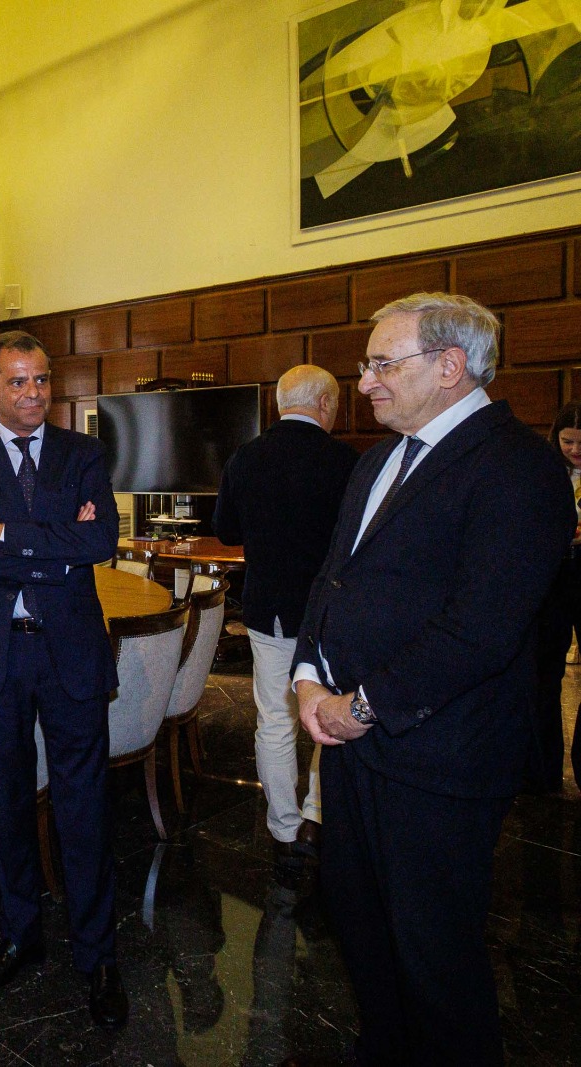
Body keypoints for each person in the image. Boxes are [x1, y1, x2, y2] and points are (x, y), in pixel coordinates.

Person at [290, 293, 573, 1066]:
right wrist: (309, 677)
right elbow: (332, 578)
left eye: (383, 363)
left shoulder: (519, 466)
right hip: (350, 745)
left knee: (437, 961)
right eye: (366, 365)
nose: (365, 382)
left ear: (451, 365)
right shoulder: (378, 458)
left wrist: (362, 705)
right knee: (363, 931)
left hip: (440, 759)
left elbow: (480, 629)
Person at [0, 329, 126, 1029]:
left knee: (85, 806)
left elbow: (101, 540)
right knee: (11, 804)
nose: (32, 394)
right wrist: (57, 545)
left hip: (70, 652)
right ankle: (22, 934)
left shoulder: (84, 453)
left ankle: (98, 954)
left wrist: (8, 536)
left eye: (41, 380)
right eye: (17, 382)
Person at [213, 365, 357, 881]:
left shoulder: (245, 457)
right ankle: (317, 817)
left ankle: (284, 830)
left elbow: (225, 531)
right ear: (325, 403)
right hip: (330, 615)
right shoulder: (347, 461)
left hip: (268, 609)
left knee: (275, 720)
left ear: (279, 404)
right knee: (329, 722)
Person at [533, 401, 581, 791]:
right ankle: (543, 772)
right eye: (568, 441)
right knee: (545, 674)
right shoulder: (547, 470)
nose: (575, 450)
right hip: (556, 580)